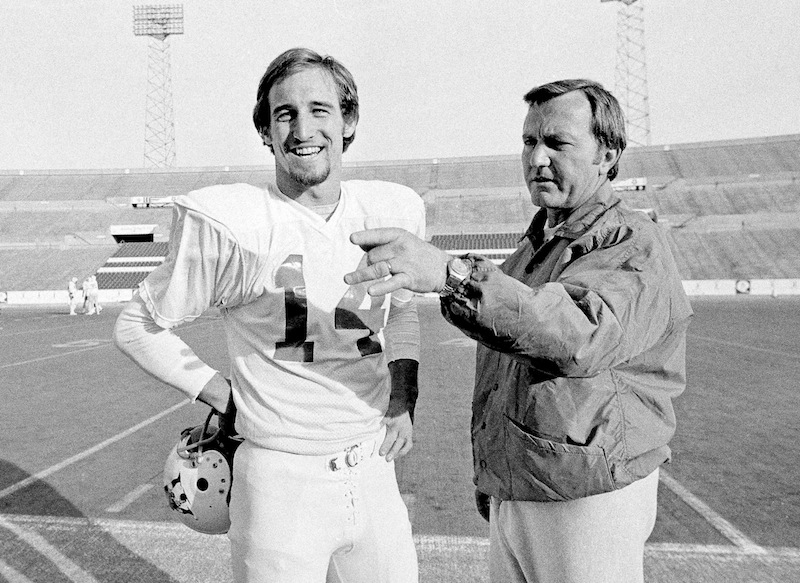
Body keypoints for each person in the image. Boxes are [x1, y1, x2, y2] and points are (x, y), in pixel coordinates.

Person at [344, 79, 693, 583]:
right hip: (521, 491)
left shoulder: (634, 242)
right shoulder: (532, 250)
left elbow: (576, 335)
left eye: (557, 143)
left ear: (607, 154)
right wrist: (496, 480)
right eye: (529, 141)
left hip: (586, 497)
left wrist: (451, 275)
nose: (537, 158)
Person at [113, 48, 423, 583]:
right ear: (266, 130)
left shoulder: (393, 209)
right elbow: (136, 326)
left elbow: (403, 311)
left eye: (320, 110)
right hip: (281, 483)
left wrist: (404, 396)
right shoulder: (238, 223)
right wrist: (220, 394)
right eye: (285, 114)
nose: (304, 129)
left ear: (347, 120)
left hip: (374, 469)